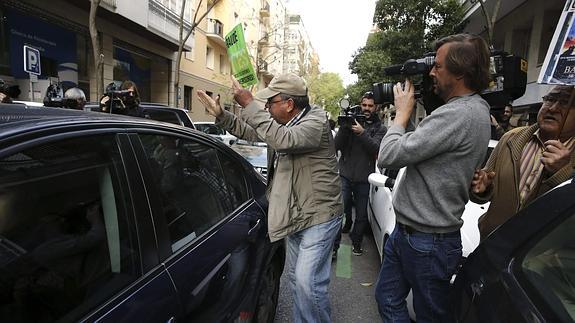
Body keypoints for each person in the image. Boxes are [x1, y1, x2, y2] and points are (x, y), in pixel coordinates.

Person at [196, 73, 343, 323]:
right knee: (297, 282)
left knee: (309, 284)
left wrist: (249, 104)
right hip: (296, 213)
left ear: (288, 104)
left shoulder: (315, 122)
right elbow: (251, 132)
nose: (266, 107)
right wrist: (221, 115)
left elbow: (284, 140)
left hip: (319, 215)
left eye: (270, 102)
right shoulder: (283, 122)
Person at [374, 33, 492, 322]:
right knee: (387, 298)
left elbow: (388, 155)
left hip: (427, 243)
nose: (431, 72)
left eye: (438, 66)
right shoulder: (469, 111)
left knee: (430, 317)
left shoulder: (458, 115)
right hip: (410, 233)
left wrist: (401, 114)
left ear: (461, 72)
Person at [471, 85, 575, 240]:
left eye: (565, 103)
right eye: (550, 99)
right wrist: (482, 188)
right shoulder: (511, 138)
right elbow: (485, 186)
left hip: (538, 258)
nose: (553, 108)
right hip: (491, 244)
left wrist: (562, 173)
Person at [333, 91, 387, 257]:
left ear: (376, 107)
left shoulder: (380, 128)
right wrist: (345, 127)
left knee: (362, 214)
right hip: (345, 173)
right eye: (364, 105)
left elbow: (376, 149)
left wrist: (362, 133)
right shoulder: (351, 120)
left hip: (365, 177)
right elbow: (336, 146)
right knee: (341, 209)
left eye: (370, 106)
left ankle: (356, 243)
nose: (366, 108)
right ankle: (335, 247)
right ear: (360, 104)